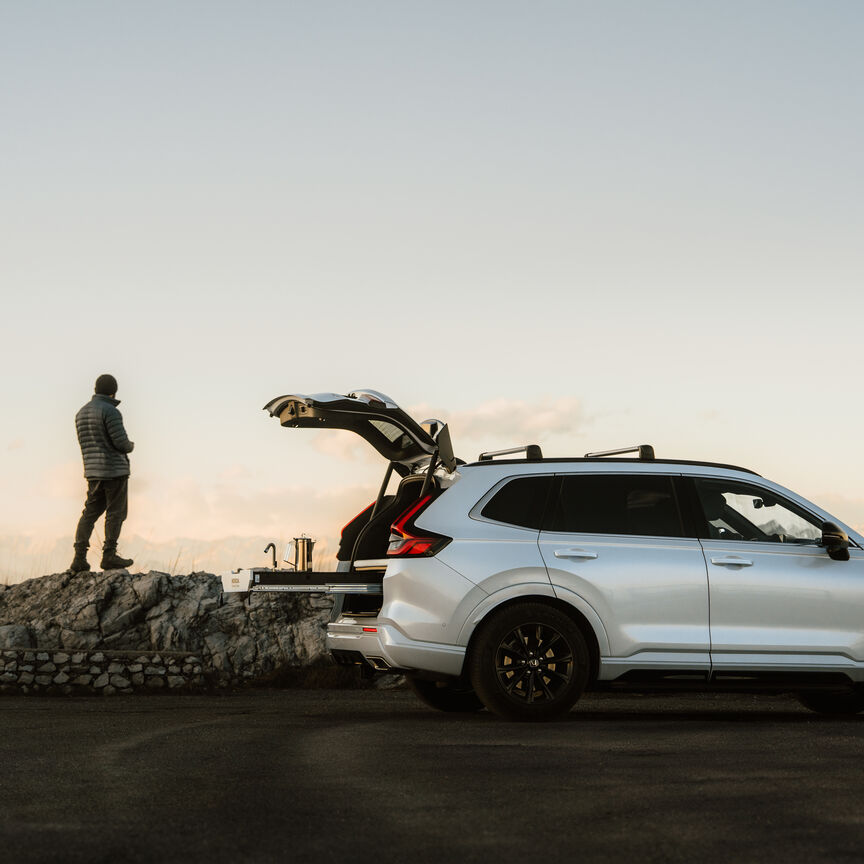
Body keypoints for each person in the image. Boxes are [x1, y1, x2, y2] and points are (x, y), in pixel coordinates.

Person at [68, 374, 135, 573]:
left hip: (93, 472)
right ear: (113, 392)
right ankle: (109, 555)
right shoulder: (111, 411)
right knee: (115, 513)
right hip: (114, 471)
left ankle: (79, 558)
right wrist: (131, 446)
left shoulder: (81, 413)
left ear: (95, 389)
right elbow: (121, 443)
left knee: (89, 514)